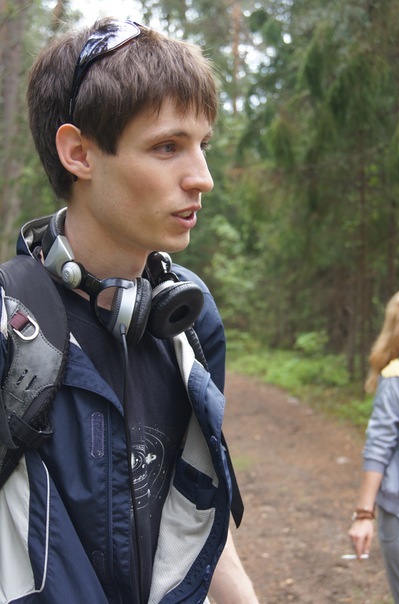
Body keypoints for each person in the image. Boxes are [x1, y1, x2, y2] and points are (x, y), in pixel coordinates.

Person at [0, 16, 259, 604]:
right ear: (79, 153)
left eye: (202, 146)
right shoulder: (10, 327)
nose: (203, 178)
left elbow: (193, 498)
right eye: (167, 146)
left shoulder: (190, 319)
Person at [349, 290, 399, 603]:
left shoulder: (394, 376)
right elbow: (380, 444)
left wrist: (364, 514)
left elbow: (380, 444)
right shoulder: (395, 377)